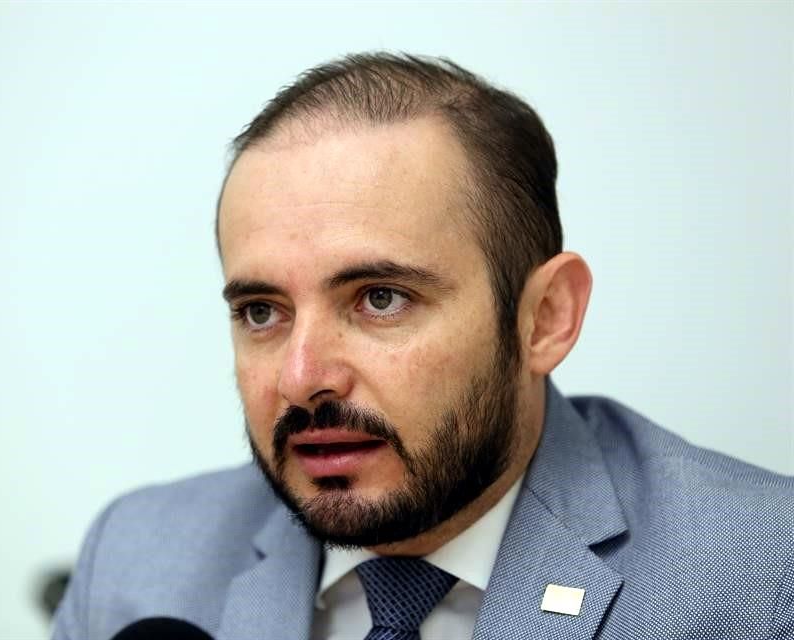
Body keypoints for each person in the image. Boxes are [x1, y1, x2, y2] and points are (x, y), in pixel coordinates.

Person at [52, 53, 793, 640]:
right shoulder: (135, 562)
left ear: (545, 318)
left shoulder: (758, 578)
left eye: (381, 298)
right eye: (261, 311)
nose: (303, 379)